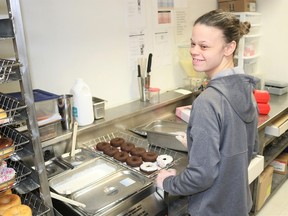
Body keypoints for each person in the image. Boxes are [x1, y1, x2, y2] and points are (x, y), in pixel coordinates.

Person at [156, 9, 259, 216]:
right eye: (193, 43)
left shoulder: (208, 101)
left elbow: (202, 175)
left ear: (229, 47)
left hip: (212, 209)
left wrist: (167, 181)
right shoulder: (245, 88)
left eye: (204, 46)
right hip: (237, 205)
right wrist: (198, 143)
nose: (194, 51)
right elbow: (250, 149)